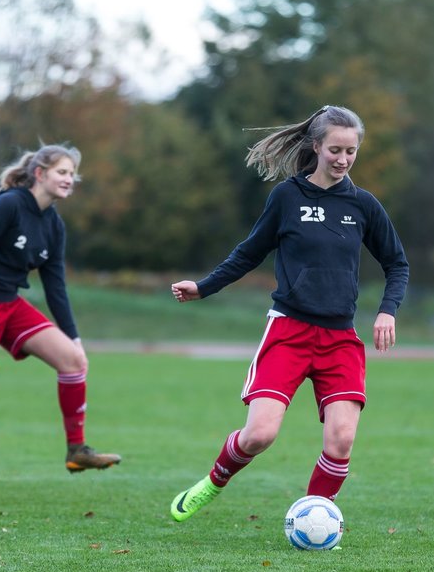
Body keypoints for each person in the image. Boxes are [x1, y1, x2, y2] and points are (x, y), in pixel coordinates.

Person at [168, 105, 409, 522]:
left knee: (341, 441)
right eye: (335, 149)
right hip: (289, 331)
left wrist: (387, 311)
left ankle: (316, 516)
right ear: (316, 146)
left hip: (339, 340)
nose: (343, 159)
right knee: (259, 435)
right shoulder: (287, 197)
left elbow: (397, 264)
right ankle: (213, 482)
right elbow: (249, 253)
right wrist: (203, 287)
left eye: (351, 151)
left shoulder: (364, 205)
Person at [0, 145, 121, 504]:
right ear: (40, 173)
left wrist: (75, 337)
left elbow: (56, 286)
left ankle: (76, 450)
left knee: (74, 361)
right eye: (62, 172)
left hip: (10, 303)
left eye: (72, 174)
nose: (69, 180)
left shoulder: (54, 224)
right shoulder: (8, 205)